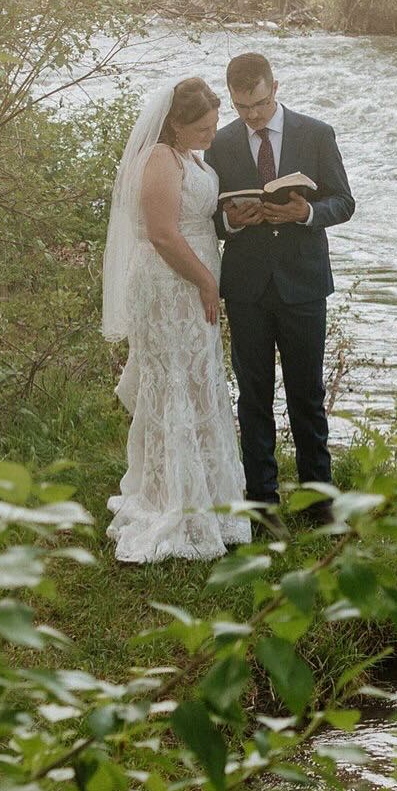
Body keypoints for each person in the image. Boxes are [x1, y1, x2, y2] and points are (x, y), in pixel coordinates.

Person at [101, 76, 250, 562]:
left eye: (214, 124)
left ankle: (205, 495)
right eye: (203, 127)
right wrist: (207, 281)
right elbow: (163, 235)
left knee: (198, 378)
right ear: (176, 125)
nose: (213, 133)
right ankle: (169, 499)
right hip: (169, 282)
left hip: (192, 277)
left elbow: (197, 218)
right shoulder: (160, 159)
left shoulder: (188, 156)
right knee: (172, 385)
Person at [205, 52, 355, 524]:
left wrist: (306, 214)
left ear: (276, 87)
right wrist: (229, 221)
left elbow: (344, 202)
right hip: (247, 286)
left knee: (306, 397)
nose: (252, 116)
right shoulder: (221, 143)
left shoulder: (317, 133)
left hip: (304, 284)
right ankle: (262, 505)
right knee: (252, 398)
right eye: (242, 107)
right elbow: (206, 214)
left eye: (260, 104)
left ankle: (318, 505)